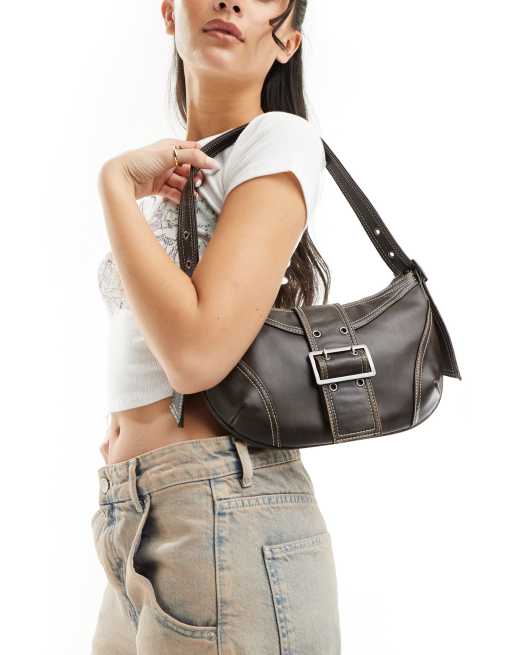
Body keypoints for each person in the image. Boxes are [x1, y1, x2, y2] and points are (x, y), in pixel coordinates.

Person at [90, 1, 342, 653]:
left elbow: (196, 357)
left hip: (221, 505)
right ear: (168, 11)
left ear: (287, 40)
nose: (231, 1)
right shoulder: (170, 170)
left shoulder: (278, 138)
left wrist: (114, 183)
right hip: (139, 510)